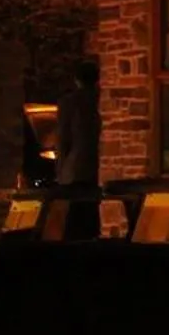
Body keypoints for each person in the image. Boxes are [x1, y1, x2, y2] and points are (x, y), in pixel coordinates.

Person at [53, 58, 104, 238]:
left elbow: (63, 139)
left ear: (76, 79)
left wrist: (60, 172)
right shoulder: (99, 100)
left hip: (75, 170)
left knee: (74, 221)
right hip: (93, 169)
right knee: (90, 216)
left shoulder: (70, 102)